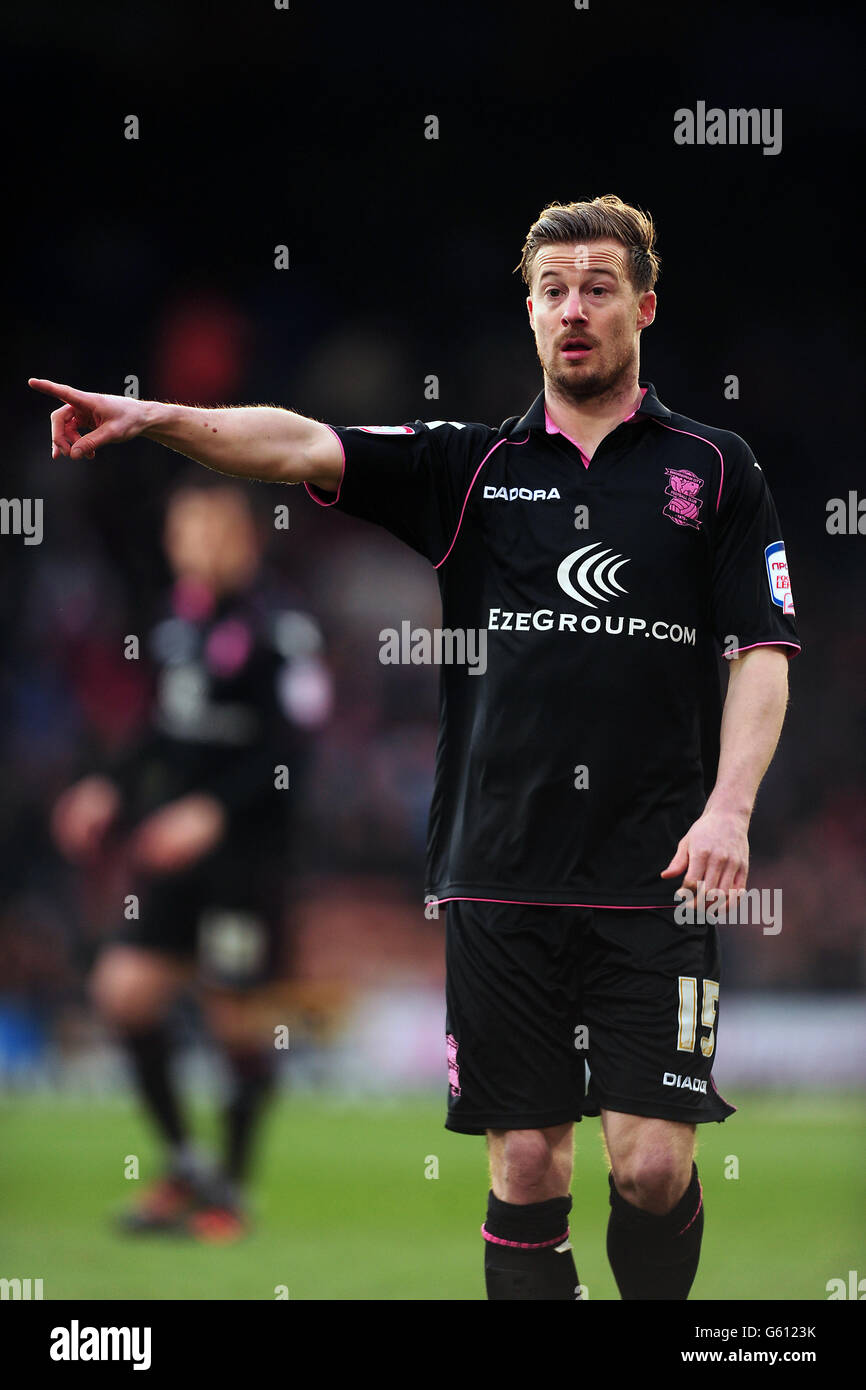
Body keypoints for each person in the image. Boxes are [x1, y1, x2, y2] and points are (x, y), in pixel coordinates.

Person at [31, 192, 800, 1297]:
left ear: (642, 302)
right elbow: (297, 439)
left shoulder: (715, 470)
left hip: (654, 874)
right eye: (550, 291)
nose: (571, 309)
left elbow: (762, 651)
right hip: (496, 876)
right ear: (528, 314)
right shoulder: (469, 469)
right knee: (528, 1162)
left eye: (595, 287)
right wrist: (158, 419)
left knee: (646, 1163)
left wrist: (728, 807)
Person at [50, 477, 331, 1242]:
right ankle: (184, 1166)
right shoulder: (177, 623)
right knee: (123, 992)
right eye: (181, 532)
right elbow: (158, 728)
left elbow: (295, 752)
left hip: (247, 862)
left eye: (205, 531)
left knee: (237, 1020)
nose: (189, 546)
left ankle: (228, 1195)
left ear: (244, 537)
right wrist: (105, 786)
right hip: (170, 857)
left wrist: (212, 810)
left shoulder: (283, 630)